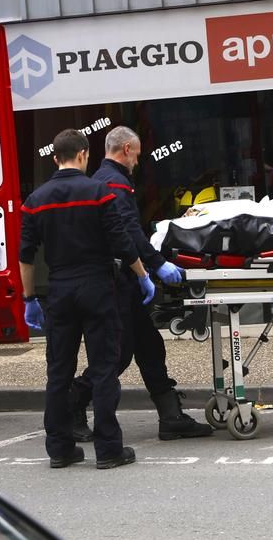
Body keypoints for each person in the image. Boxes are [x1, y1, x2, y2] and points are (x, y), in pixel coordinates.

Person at [18, 128, 155, 470]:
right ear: (83, 155)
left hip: (60, 291)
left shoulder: (36, 200)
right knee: (105, 368)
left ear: (54, 158)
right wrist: (143, 275)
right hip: (97, 287)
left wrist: (29, 297)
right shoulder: (99, 192)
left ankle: (60, 449)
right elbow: (122, 242)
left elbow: (25, 255)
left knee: (58, 371)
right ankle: (109, 449)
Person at [70, 126, 213, 441]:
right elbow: (126, 232)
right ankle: (74, 403)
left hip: (122, 280)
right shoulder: (115, 183)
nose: (137, 160)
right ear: (124, 149)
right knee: (118, 354)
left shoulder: (101, 180)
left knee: (149, 345)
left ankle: (170, 416)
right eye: (135, 153)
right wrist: (155, 265)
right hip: (118, 280)